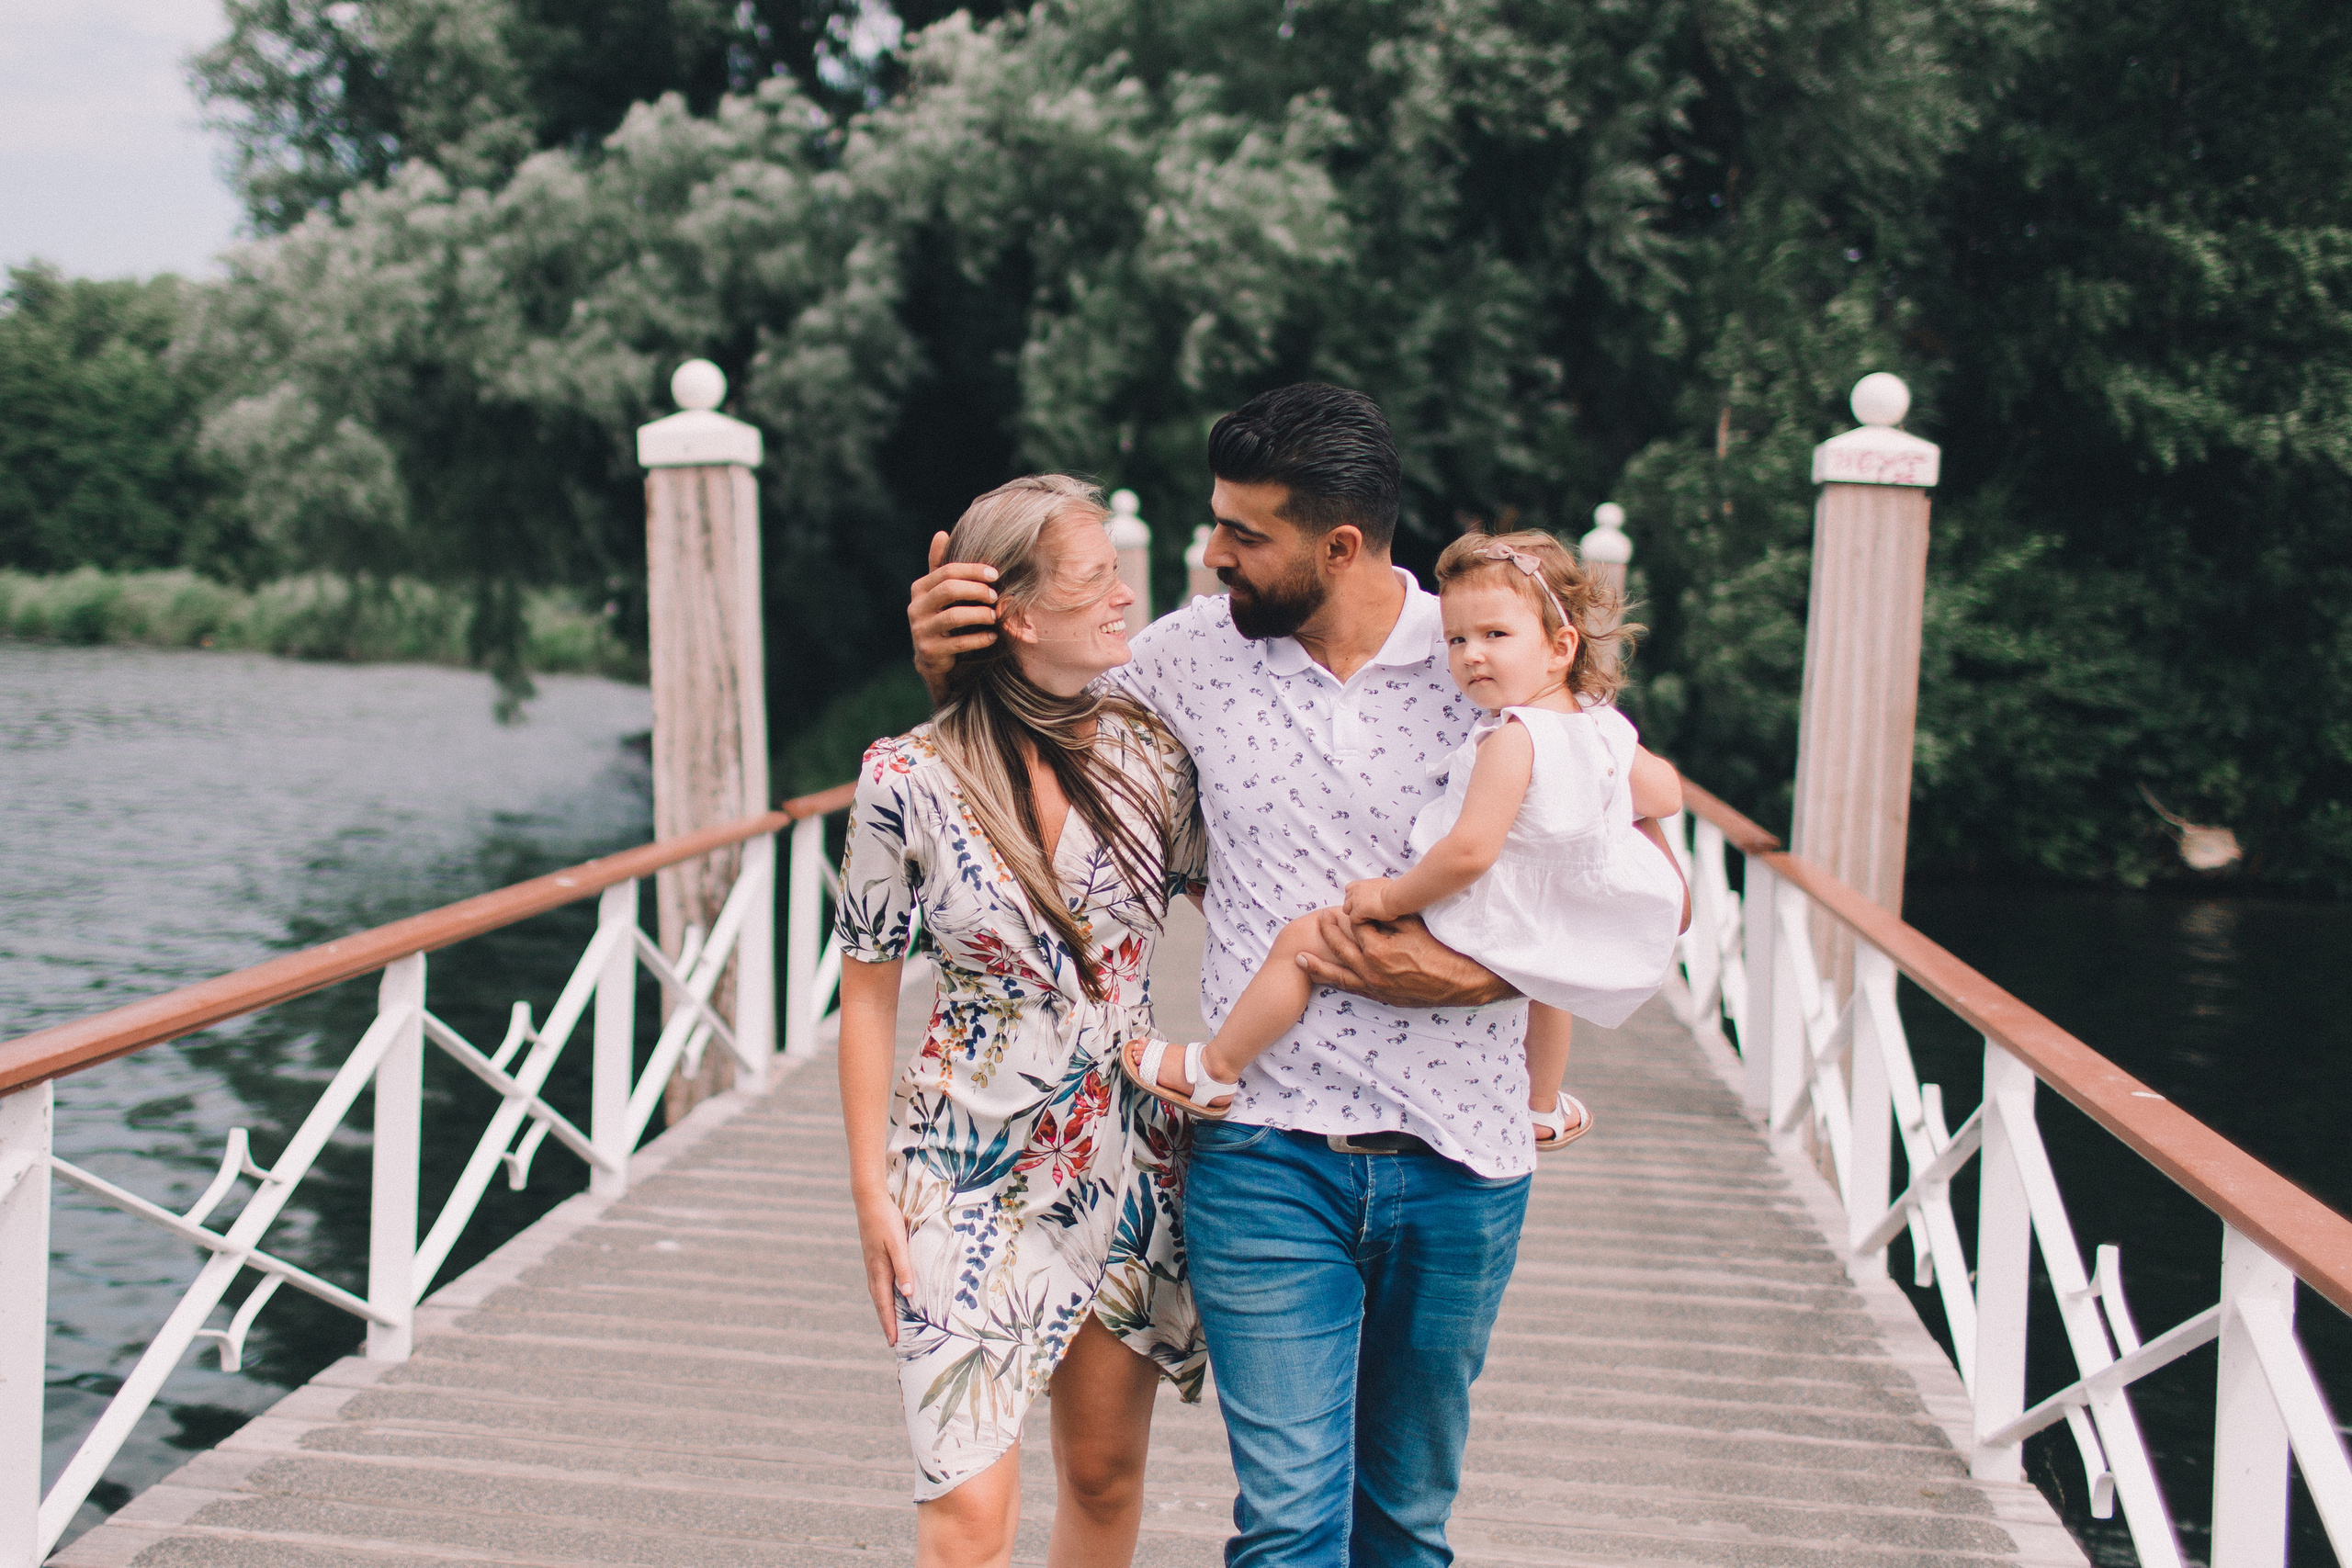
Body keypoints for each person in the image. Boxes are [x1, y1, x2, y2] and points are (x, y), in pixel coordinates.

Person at [910, 383, 1660, 1567]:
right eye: (1214, 524)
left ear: (1340, 545)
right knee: (1289, 1528)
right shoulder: (1187, 659)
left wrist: (1480, 980)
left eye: (1244, 534)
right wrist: (948, 665)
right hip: (1264, 1152)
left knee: (1403, 1528)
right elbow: (1024, 748)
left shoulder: (1486, 657)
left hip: (1463, 1157)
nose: (1213, 557)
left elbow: (1619, 868)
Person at [835, 474, 1207, 1568]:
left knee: (1102, 1476)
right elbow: (864, 995)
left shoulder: (1154, 759)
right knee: (965, 1511)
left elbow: (1255, 908)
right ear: (1019, 615)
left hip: (1128, 1162)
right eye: (1097, 579)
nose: (1126, 598)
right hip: (959, 1171)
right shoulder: (905, 778)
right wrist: (869, 1193)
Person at [1119, 527, 1687, 1153]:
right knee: (1546, 990)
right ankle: (1542, 1106)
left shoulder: (1512, 738)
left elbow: (1468, 852)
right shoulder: (1601, 727)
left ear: (1560, 647)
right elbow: (1664, 793)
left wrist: (1390, 900)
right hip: (1546, 915)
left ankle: (1215, 1070)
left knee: (1304, 940)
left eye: (1495, 636)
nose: (1472, 655)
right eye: (1457, 639)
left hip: (1484, 904)